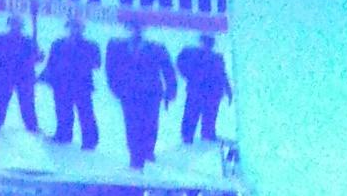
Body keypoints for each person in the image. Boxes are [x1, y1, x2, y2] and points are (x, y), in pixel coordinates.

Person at [105, 23, 177, 169]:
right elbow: (111, 69)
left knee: (150, 124)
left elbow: (168, 70)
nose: (136, 31)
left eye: (139, 28)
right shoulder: (117, 47)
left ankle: (148, 152)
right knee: (132, 125)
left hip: (152, 93)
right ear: (128, 29)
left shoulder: (156, 48)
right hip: (129, 93)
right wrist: (116, 88)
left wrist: (170, 91)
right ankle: (135, 157)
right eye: (133, 28)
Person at [39, 14, 101, 150]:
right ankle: (63, 135)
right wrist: (46, 77)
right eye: (72, 27)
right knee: (63, 111)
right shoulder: (58, 44)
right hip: (62, 85)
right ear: (68, 28)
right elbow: (51, 63)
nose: (75, 30)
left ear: (82, 29)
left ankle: (90, 140)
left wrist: (80, 61)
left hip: (82, 85)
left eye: (78, 27)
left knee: (86, 113)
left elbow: (97, 64)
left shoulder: (91, 46)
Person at [0, 12, 42, 135]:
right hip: (5, 76)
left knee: (27, 103)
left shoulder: (28, 41)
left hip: (24, 77)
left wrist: (38, 55)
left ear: (21, 26)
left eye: (18, 24)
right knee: (0, 102)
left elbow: (37, 59)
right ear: (9, 25)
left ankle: (32, 125)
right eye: (13, 24)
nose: (16, 27)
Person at [176, 31, 232, 144]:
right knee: (191, 113)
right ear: (202, 42)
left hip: (212, 92)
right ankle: (187, 136)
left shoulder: (217, 58)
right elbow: (180, 64)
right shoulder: (192, 54)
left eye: (210, 42)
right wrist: (189, 76)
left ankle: (207, 133)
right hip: (196, 90)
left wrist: (228, 90)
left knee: (210, 114)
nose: (208, 44)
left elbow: (222, 74)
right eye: (206, 42)